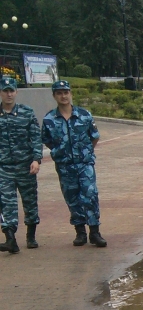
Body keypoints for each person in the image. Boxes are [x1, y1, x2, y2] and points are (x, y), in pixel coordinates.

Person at [41, 79, 105, 247]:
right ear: (54, 96)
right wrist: (60, 152)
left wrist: (86, 152)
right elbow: (47, 140)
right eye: (60, 93)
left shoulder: (84, 115)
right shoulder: (49, 119)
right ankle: (80, 232)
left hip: (84, 164)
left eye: (66, 92)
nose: (64, 96)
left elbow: (95, 136)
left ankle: (95, 232)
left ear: (70, 94)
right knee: (72, 198)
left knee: (90, 195)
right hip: (65, 166)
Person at [0, 75, 42, 253]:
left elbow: (35, 137)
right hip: (4, 168)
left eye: (11, 91)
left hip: (26, 166)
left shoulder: (26, 112)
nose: (9, 94)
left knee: (30, 201)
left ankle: (31, 236)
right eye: (5, 91)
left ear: (16, 92)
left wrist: (36, 159)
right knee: (6, 202)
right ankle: (10, 239)